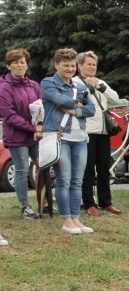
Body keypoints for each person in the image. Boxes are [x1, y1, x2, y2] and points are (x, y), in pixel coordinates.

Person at [41, 48, 96, 234]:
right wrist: (77, 104)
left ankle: (76, 218)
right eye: (66, 65)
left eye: (72, 66)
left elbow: (91, 110)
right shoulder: (48, 82)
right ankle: (66, 220)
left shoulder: (79, 86)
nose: (70, 69)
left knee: (77, 181)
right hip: (60, 136)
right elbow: (58, 99)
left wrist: (74, 110)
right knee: (64, 180)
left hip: (80, 137)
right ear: (56, 65)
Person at [74, 51, 122, 217]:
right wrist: (87, 88)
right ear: (80, 66)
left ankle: (106, 202)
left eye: (94, 64)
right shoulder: (75, 83)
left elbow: (115, 99)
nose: (92, 67)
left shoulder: (100, 82)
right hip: (87, 131)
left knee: (104, 167)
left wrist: (100, 87)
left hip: (103, 132)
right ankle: (89, 203)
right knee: (88, 168)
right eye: (89, 64)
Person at [0, 48, 41, 220]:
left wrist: (39, 126)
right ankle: (25, 206)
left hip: (36, 135)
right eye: (15, 62)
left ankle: (44, 202)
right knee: (22, 170)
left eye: (22, 62)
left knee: (43, 167)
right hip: (16, 137)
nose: (19, 65)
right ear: (8, 66)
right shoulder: (4, 87)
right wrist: (33, 128)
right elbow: (9, 116)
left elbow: (41, 108)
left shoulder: (34, 85)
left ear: (27, 65)